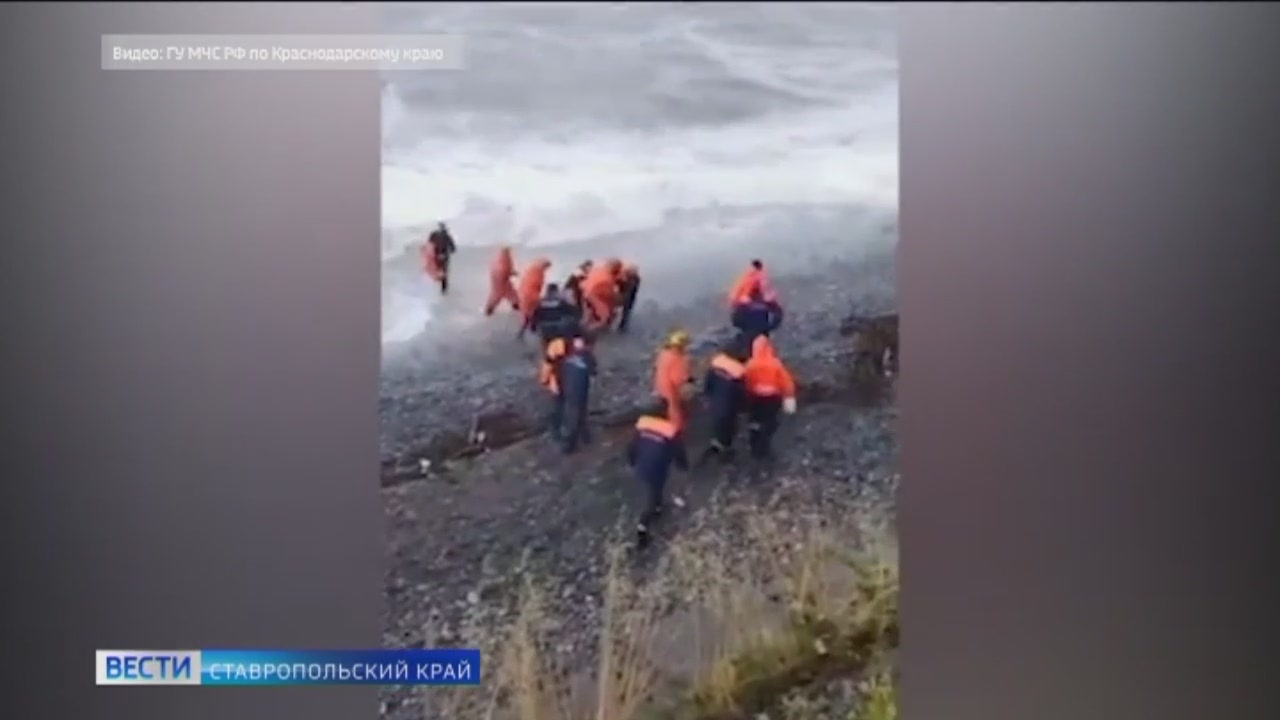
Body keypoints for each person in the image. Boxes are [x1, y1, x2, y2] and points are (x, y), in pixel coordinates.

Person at [626, 399, 689, 549]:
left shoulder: (643, 426)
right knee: (653, 494)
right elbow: (678, 452)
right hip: (658, 468)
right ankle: (643, 531)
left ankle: (656, 507)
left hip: (642, 465)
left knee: (651, 490)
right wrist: (683, 465)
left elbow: (633, 446)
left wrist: (631, 461)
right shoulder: (670, 431)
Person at [742, 335, 797, 460]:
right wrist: (789, 398)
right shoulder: (775, 364)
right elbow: (786, 382)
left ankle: (754, 443)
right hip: (772, 398)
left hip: (755, 397)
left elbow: (745, 382)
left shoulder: (750, 364)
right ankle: (765, 444)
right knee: (770, 421)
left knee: (755, 420)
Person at [697, 339, 750, 465]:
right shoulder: (739, 372)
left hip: (715, 402)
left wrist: (707, 396)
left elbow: (708, 382)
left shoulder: (716, 364)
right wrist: (744, 409)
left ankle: (715, 444)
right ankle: (723, 452)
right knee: (728, 429)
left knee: (717, 424)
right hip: (728, 407)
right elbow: (740, 394)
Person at [554, 336, 597, 454]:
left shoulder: (567, 353)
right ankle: (571, 442)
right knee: (577, 412)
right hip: (580, 389)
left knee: (571, 412)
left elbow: (559, 369)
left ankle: (577, 436)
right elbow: (593, 371)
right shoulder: (588, 357)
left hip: (568, 388)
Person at [652, 329, 696, 432]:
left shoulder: (664, 353)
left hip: (660, 384)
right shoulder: (680, 359)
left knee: (664, 405)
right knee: (675, 410)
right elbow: (678, 379)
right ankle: (675, 430)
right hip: (671, 390)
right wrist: (688, 380)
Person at [516, 257, 553, 340]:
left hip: (525, 295)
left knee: (528, 315)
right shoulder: (538, 273)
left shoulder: (531, 271)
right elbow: (535, 287)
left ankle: (525, 331)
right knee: (533, 314)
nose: (546, 269)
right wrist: (539, 299)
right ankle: (533, 331)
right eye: (547, 267)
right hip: (530, 297)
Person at [582, 258, 622, 333]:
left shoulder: (596, 270)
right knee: (603, 319)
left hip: (585, 294)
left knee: (587, 314)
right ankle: (587, 331)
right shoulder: (608, 279)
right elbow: (609, 295)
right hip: (594, 297)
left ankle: (585, 324)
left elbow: (584, 283)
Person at [483, 246, 520, 316]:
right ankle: (489, 309)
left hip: (503, 281)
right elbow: (501, 270)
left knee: (510, 293)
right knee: (497, 296)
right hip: (500, 281)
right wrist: (509, 273)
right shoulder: (502, 261)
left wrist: (510, 272)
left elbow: (506, 268)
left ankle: (516, 304)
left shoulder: (503, 258)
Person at [423, 222, 457, 295]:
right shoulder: (447, 236)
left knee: (436, 269)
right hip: (444, 256)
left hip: (435, 255)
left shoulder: (434, 235)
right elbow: (453, 248)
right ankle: (443, 289)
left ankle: (436, 285)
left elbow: (428, 244)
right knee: (444, 272)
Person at [614, 263, 642, 333]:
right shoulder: (635, 279)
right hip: (629, 298)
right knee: (626, 312)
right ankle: (622, 326)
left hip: (626, 297)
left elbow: (622, 286)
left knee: (625, 312)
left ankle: (622, 327)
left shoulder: (631, 280)